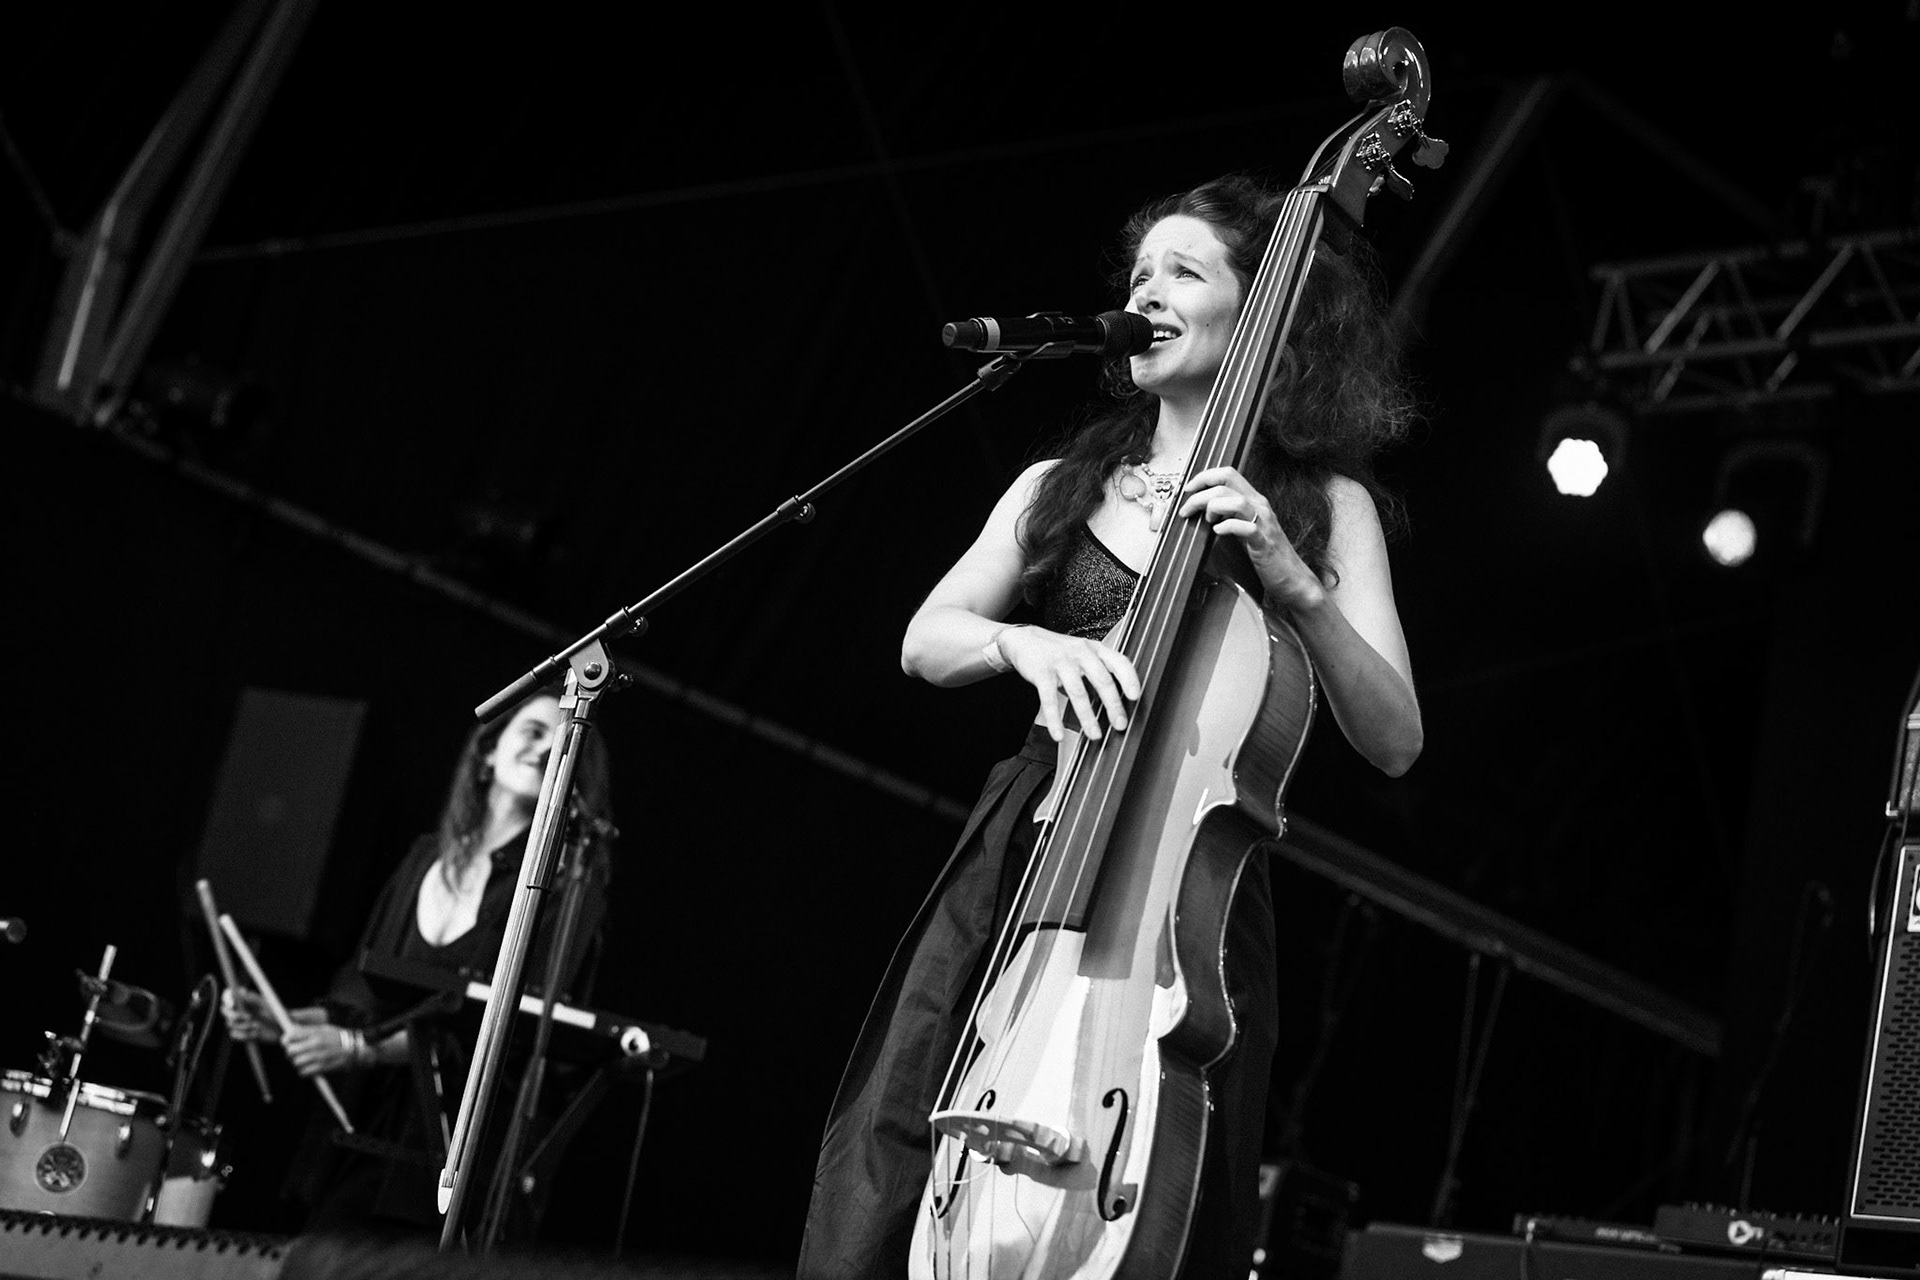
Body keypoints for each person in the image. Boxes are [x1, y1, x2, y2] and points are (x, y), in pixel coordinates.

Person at [798, 174, 1423, 1279]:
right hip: (1030, 847)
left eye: (1185, 271)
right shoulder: (1063, 483)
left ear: (1265, 311)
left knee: (1171, 1197)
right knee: (907, 1128)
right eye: (1140, 274)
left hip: (1192, 895)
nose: (1147, 293)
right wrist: (1024, 646)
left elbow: (1395, 737)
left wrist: (1294, 579)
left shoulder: (1328, 506)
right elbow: (927, 638)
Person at [222, 689, 615, 1239]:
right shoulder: (423, 857)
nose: (547, 747)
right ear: (487, 753)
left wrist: (359, 1049)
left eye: (563, 741)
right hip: (365, 1130)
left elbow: (501, 1029)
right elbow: (365, 994)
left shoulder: (566, 891)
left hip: (455, 1152)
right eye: (532, 731)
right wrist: (288, 1020)